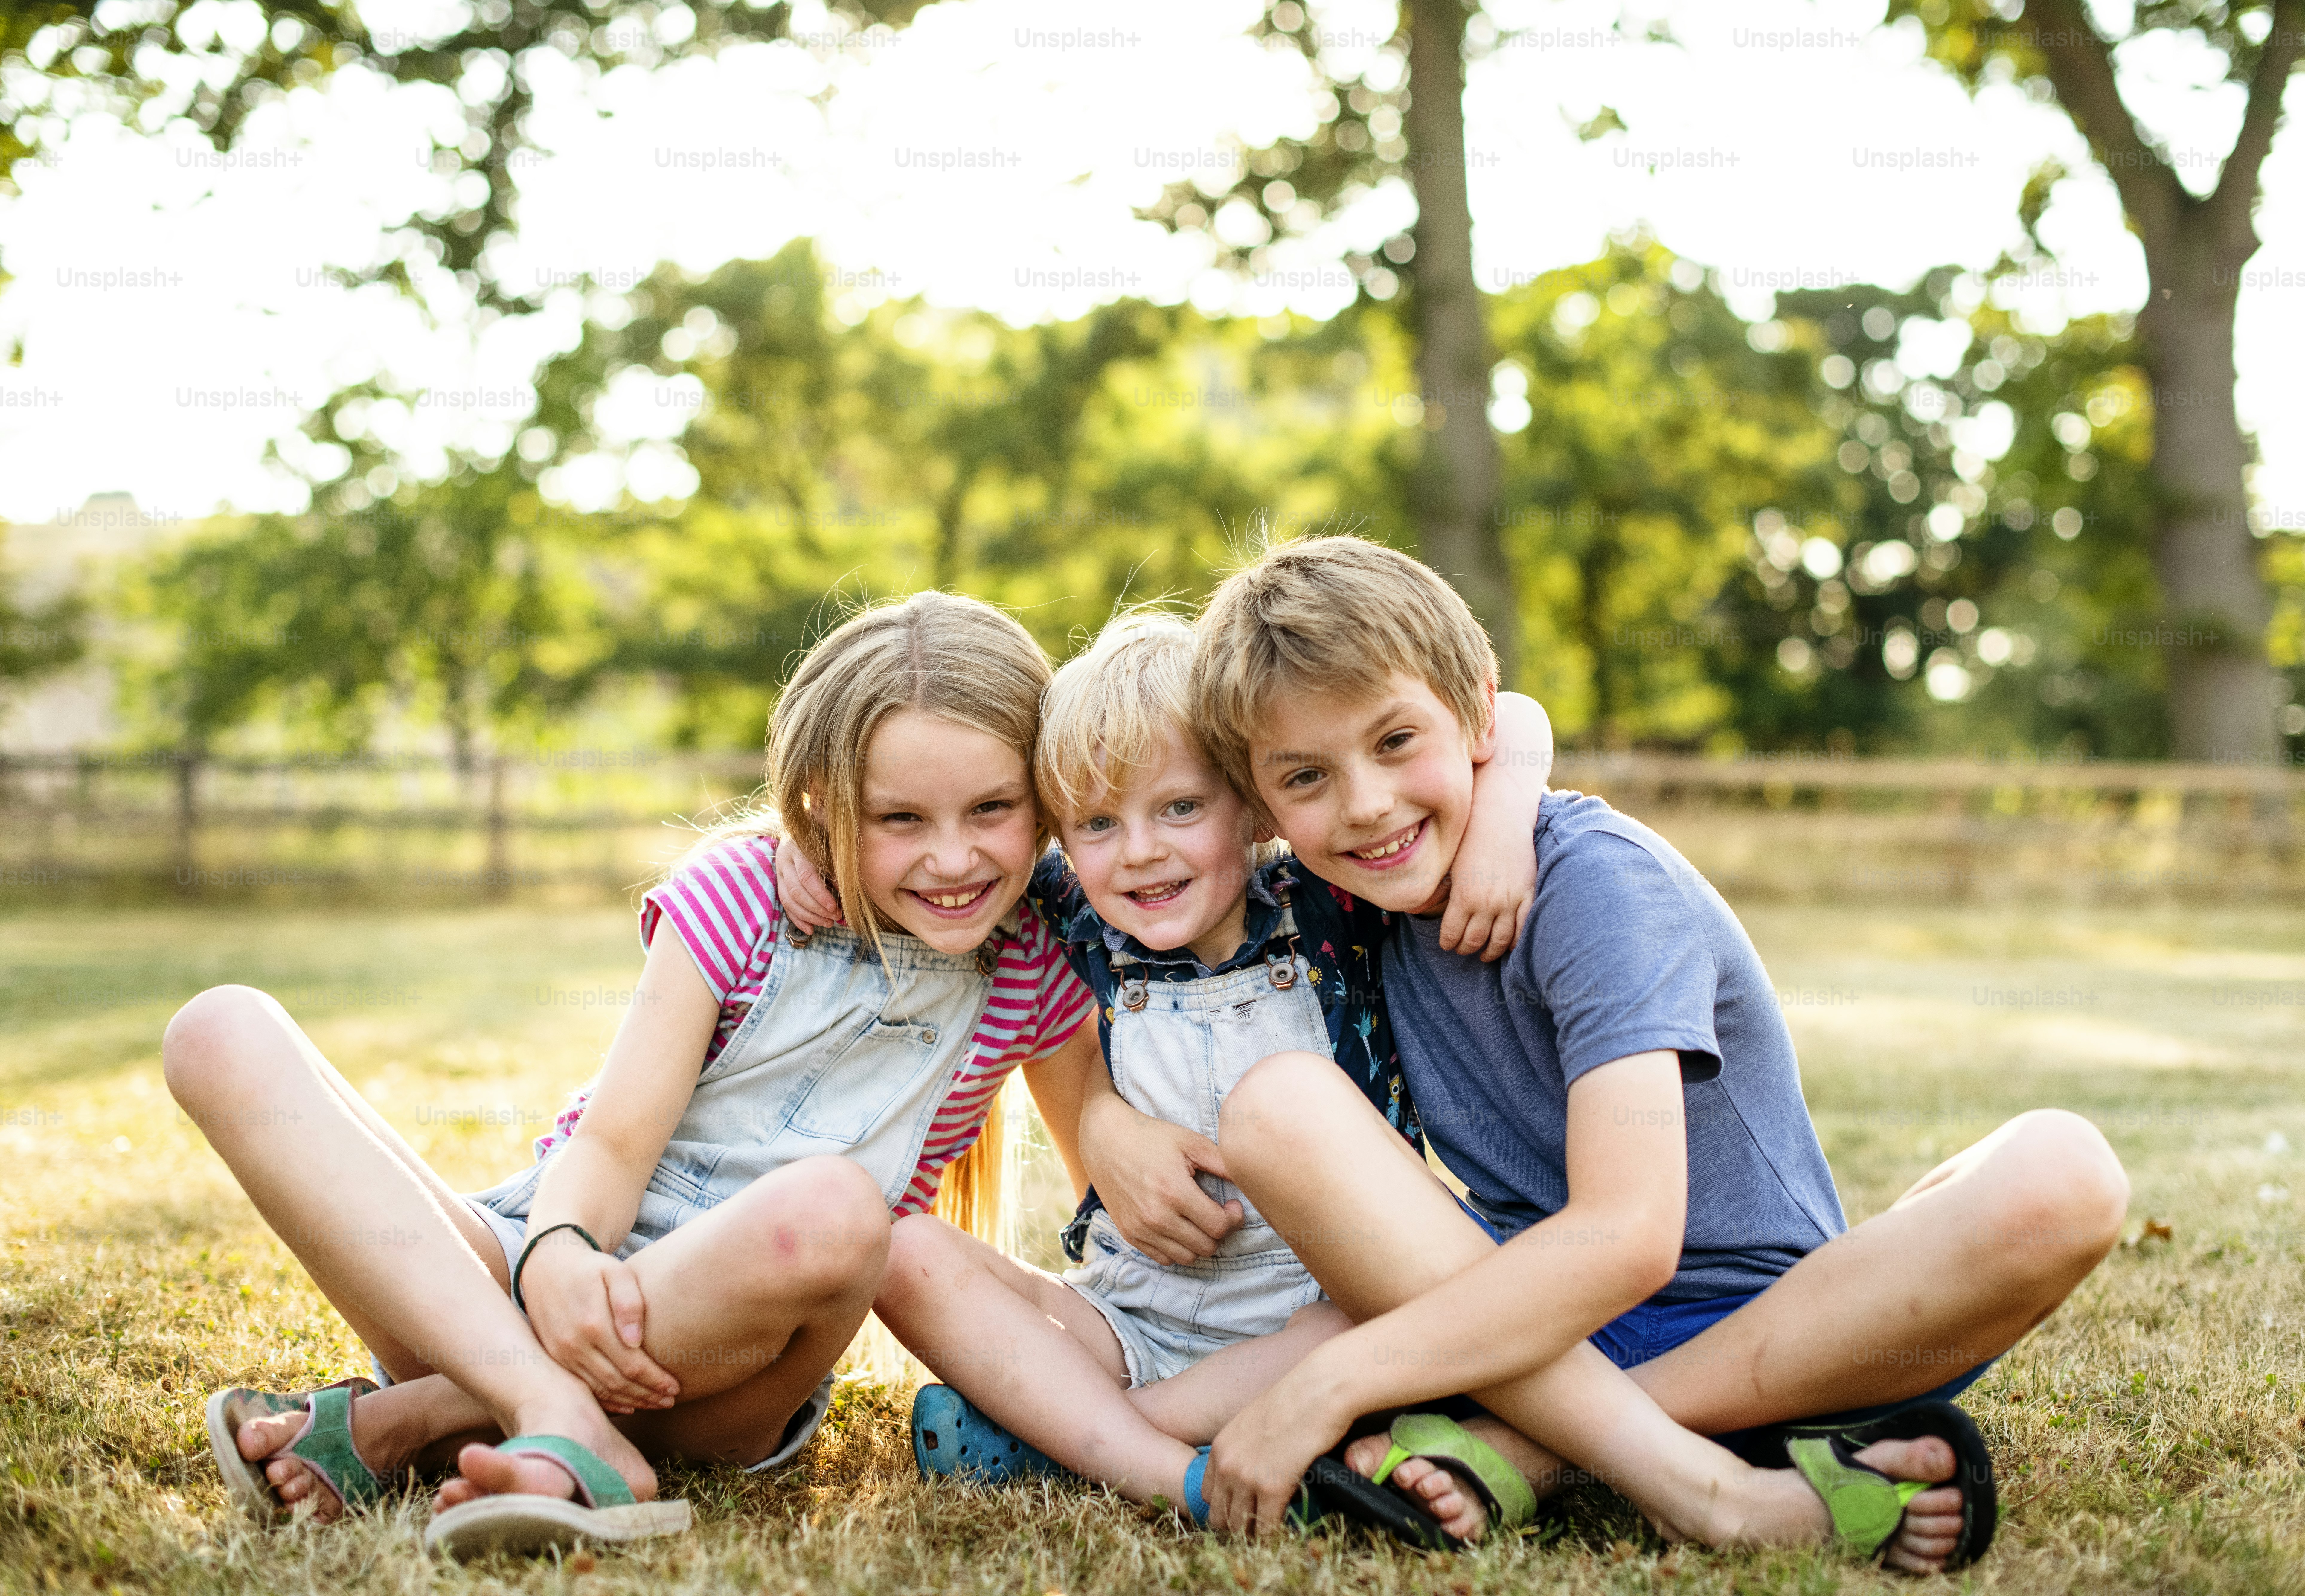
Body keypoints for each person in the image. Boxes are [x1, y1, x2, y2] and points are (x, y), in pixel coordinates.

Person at [1189, 536, 2129, 1574]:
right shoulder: (1350, 899)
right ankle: (1684, 1465)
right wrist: (1101, 1119)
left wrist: (1335, 1383)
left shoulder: (1597, 886)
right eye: (1307, 777)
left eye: (1396, 740)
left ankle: (1551, 1451)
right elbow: (1118, 854)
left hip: (1767, 1333)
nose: (1364, 801)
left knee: (2062, 1172)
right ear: (1265, 809)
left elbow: (1629, 1238)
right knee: (1277, 1105)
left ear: (1475, 725)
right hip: (1523, 1325)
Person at [172, 591, 1103, 1556]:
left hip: (731, 1373)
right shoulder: (741, 894)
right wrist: (562, 1252)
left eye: (992, 808)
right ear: (820, 802)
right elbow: (612, 1142)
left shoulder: (1038, 951)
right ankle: (545, 1414)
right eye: (898, 817)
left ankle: (423, 1417)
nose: (953, 856)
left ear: (1044, 794)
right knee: (219, 1030)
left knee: (836, 1204)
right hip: (519, 1288)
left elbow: (1103, 1195)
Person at [773, 611, 1555, 1521]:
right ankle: (1156, 1440)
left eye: (1180, 807)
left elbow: (1514, 716)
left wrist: (1503, 821)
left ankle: (1083, 1443)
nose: (1141, 850)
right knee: (903, 1248)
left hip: (1310, 1315)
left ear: (1257, 801)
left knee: (1395, 1315)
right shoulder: (1074, 918)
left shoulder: (1330, 898)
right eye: (1098, 822)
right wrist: (804, 841)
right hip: (1127, 1316)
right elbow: (930, 839)